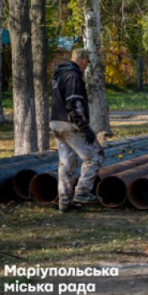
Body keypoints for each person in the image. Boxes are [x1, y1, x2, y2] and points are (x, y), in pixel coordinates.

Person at [50, 49, 104, 212]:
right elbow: (74, 103)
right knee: (95, 156)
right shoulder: (73, 76)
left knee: (66, 163)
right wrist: (85, 128)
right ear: (82, 60)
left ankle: (65, 202)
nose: (87, 66)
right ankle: (82, 192)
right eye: (87, 62)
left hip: (56, 123)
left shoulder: (60, 75)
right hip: (70, 124)